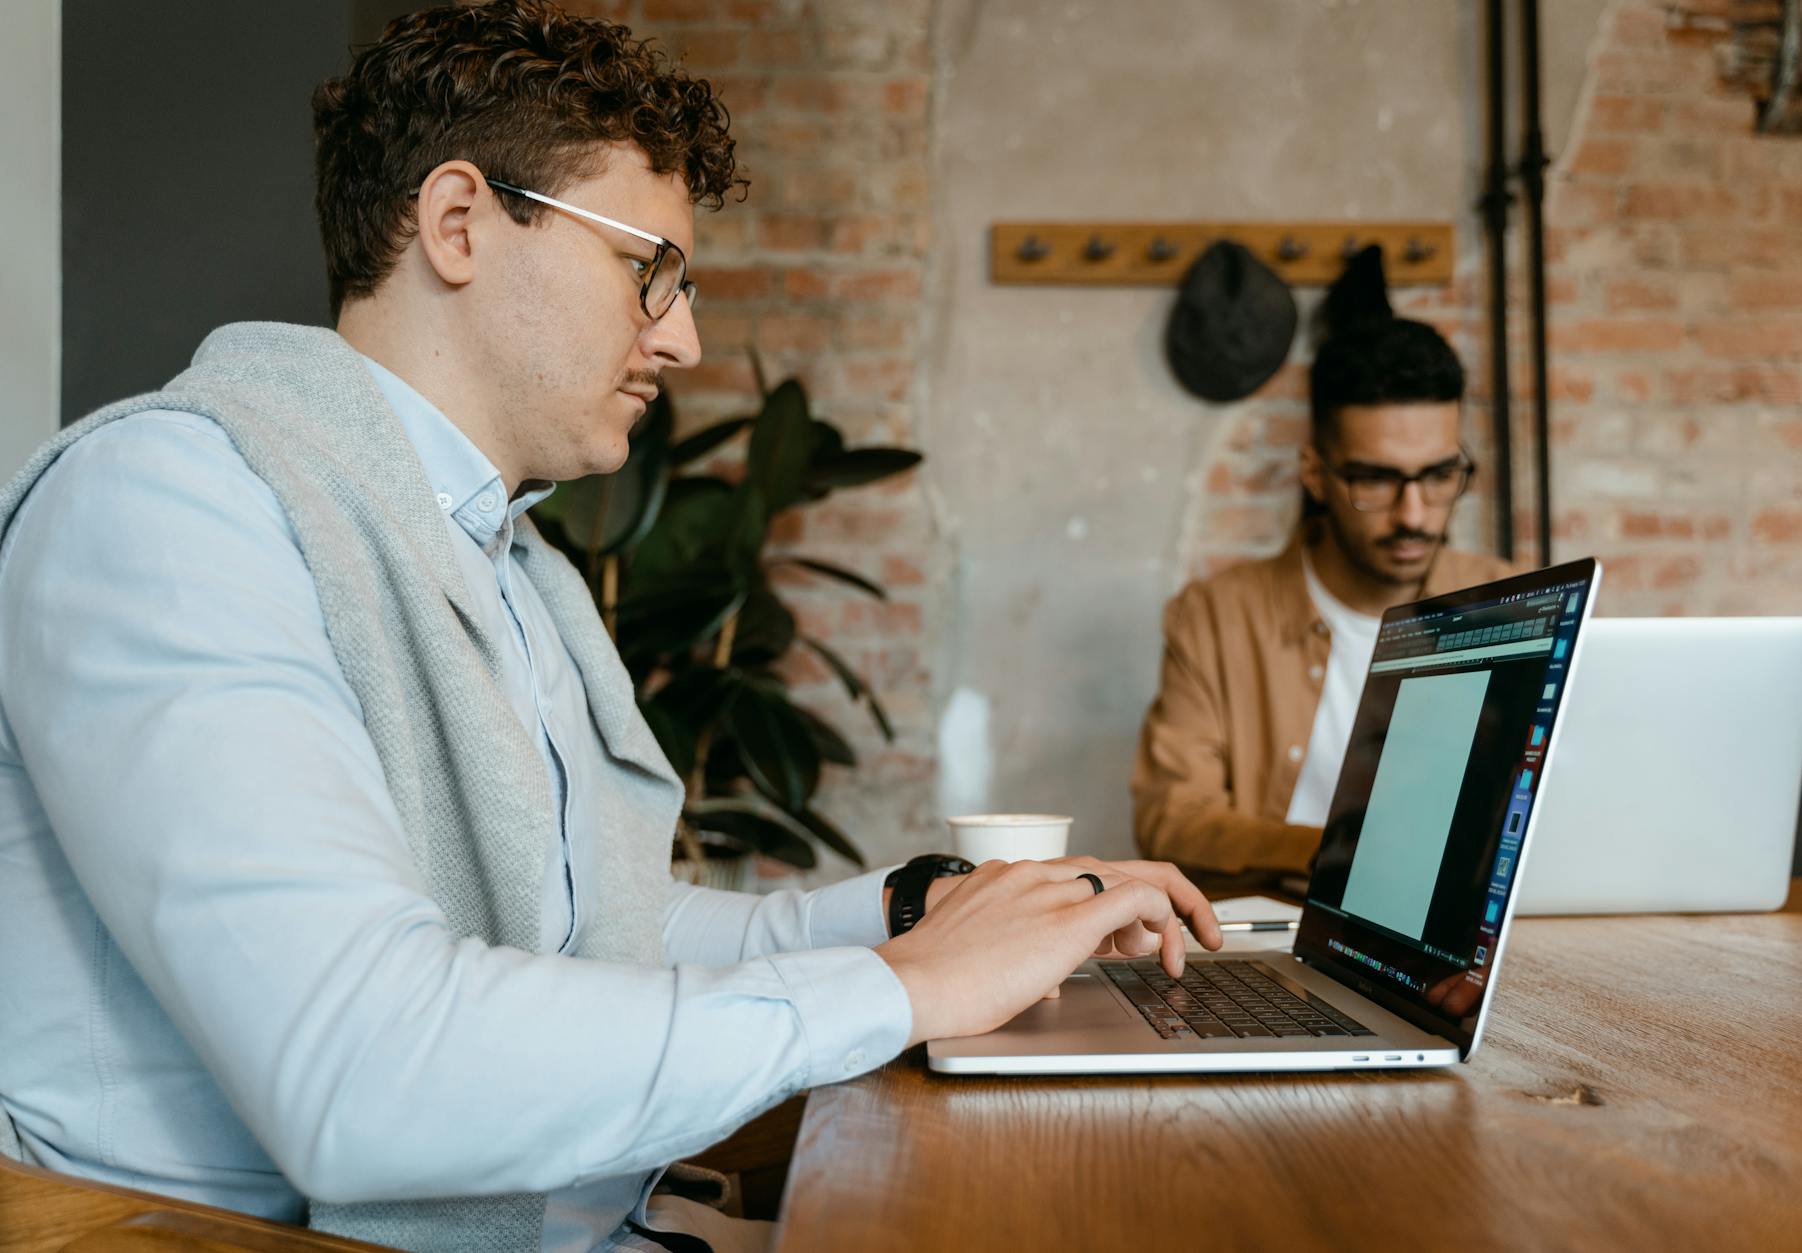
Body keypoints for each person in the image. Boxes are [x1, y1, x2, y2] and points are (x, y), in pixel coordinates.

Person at [0, 5, 1220, 1252]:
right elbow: (357, 1066)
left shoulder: (508, 561)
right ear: (459, 223)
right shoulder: (168, 507)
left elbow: (612, 928)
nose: (680, 335)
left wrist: (920, 913)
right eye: (651, 268)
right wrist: (902, 988)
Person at [1132, 254, 1517, 890]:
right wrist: (1340, 851)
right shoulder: (1216, 615)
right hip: (1271, 941)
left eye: (1440, 476)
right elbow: (1171, 818)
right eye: (1375, 479)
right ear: (1316, 474)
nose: (1414, 515)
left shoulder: (1507, 604)